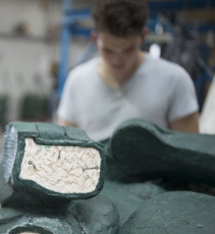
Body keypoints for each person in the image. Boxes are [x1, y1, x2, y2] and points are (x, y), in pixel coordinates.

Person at [57, 0, 199, 142]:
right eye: (108, 50)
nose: (117, 59)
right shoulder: (78, 81)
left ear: (143, 37)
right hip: (92, 164)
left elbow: (190, 151)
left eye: (127, 50)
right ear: (95, 39)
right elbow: (65, 147)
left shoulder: (174, 81)